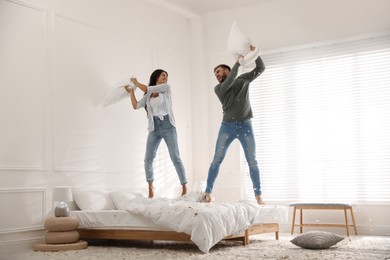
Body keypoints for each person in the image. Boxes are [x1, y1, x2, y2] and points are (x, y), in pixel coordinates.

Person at [204, 45, 266, 205]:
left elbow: (261, 68)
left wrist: (254, 53)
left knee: (252, 161)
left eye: (218, 72)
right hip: (227, 127)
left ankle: (258, 196)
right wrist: (238, 63)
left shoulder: (243, 80)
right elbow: (229, 82)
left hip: (246, 126)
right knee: (217, 159)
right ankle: (207, 192)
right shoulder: (219, 89)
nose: (216, 75)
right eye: (215, 74)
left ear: (226, 71)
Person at [124, 69, 187, 198]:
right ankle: (150, 186)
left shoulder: (165, 88)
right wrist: (131, 92)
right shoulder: (148, 94)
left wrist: (135, 82)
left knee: (175, 157)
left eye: (167, 76)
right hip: (154, 128)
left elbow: (148, 89)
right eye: (163, 75)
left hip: (168, 126)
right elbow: (136, 106)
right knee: (148, 158)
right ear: (156, 76)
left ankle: (184, 186)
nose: (166, 77)